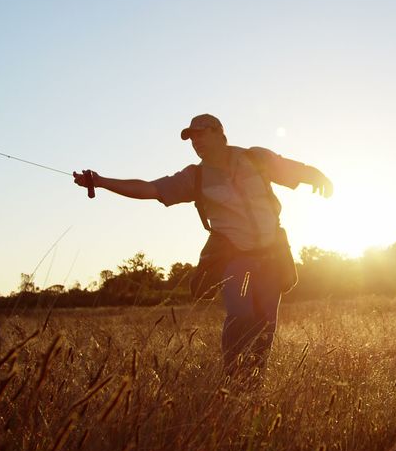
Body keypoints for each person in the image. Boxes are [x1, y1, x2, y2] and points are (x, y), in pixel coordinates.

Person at [73, 114, 332, 383]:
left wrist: (319, 177)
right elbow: (150, 188)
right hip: (233, 256)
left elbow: (292, 168)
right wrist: (102, 182)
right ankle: (231, 377)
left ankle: (253, 381)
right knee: (241, 314)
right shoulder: (194, 177)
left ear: (220, 133)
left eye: (201, 134)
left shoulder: (256, 158)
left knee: (266, 324)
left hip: (272, 255)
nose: (196, 142)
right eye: (192, 138)